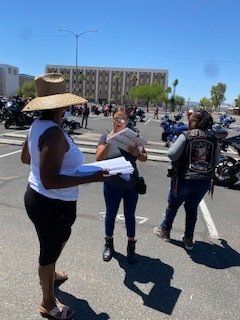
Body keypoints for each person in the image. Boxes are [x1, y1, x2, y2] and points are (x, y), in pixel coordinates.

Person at [21, 73, 106, 320]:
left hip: (40, 197)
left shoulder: (37, 126)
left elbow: (26, 159)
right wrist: (92, 176)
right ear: (62, 104)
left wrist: (44, 164)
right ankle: (48, 303)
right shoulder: (55, 133)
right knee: (48, 251)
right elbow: (50, 179)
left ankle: (51, 273)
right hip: (51, 203)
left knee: (57, 242)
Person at [153, 110, 220, 251]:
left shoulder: (187, 136)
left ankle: (165, 230)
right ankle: (188, 240)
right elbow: (217, 160)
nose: (189, 121)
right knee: (192, 209)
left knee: (172, 206)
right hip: (203, 182)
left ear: (200, 122)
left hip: (184, 180)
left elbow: (171, 154)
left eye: (193, 120)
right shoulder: (213, 138)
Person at [96, 106, 147, 263]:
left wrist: (137, 153)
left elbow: (144, 157)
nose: (119, 122)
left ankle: (131, 245)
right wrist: (110, 143)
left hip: (130, 185)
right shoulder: (105, 136)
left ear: (127, 121)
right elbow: (98, 157)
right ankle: (108, 244)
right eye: (116, 119)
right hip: (111, 184)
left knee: (130, 216)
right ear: (112, 119)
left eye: (123, 119)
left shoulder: (133, 136)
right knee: (110, 214)